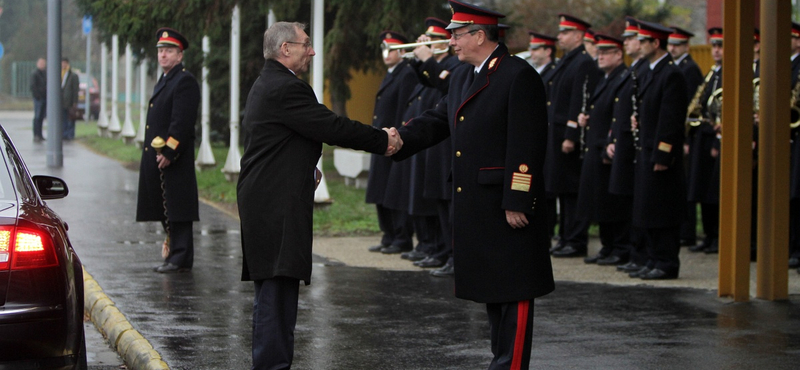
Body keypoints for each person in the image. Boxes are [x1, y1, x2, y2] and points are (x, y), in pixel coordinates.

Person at [393, 1, 554, 368]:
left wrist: (518, 198)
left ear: (480, 35)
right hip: (478, 204)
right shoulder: (467, 75)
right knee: (494, 291)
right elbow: (439, 119)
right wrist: (398, 140)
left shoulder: (517, 74)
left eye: (456, 34)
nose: (451, 41)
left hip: (504, 205)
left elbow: (526, 144)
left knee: (514, 292)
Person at [237, 22, 402, 370]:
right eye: (306, 45)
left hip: (268, 198)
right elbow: (330, 126)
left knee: (272, 292)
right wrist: (382, 140)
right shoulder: (285, 88)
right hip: (276, 204)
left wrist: (304, 168)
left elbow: (276, 141)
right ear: (285, 49)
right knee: (277, 294)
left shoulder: (269, 82)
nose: (312, 52)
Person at [136, 28, 201, 274]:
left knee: (178, 206)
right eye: (161, 51)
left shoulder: (184, 81)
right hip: (158, 154)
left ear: (179, 55)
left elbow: (182, 122)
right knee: (166, 206)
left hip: (174, 156)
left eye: (169, 51)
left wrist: (169, 152)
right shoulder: (165, 80)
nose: (163, 55)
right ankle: (175, 254)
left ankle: (180, 256)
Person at [628, 20, 688, 280]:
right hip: (646, 149)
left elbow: (671, 119)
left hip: (660, 154)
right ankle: (652, 257)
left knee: (662, 208)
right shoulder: (648, 71)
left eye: (643, 41)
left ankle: (665, 262)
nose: (639, 45)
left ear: (656, 43)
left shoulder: (671, 73)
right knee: (647, 207)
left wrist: (663, 154)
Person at [401, 18, 461, 272]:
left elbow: (442, 82)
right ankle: (440, 249)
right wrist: (419, 60)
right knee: (437, 199)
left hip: (447, 143)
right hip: (436, 142)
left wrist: (428, 59)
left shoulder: (453, 63)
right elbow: (427, 81)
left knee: (447, 202)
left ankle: (450, 253)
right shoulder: (440, 64)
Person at [546, 14, 602, 258]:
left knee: (571, 188)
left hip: (567, 136)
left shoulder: (583, 62)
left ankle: (576, 239)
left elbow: (579, 101)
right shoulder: (566, 61)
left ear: (578, 36)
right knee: (561, 188)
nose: (560, 37)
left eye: (565, 32)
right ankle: (566, 236)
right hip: (555, 132)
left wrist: (571, 135)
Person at [576, 34, 631, 266]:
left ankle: (620, 247)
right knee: (600, 202)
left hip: (607, 148)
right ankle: (608, 246)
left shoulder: (623, 78)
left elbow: (619, 115)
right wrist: (588, 118)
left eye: (606, 52)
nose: (600, 56)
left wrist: (612, 141)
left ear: (619, 54)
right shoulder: (606, 78)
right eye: (598, 52)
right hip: (596, 146)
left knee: (613, 203)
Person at [366, 31, 418, 255]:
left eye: (392, 49)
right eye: (384, 49)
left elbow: (403, 110)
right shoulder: (390, 74)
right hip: (381, 139)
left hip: (393, 140)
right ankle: (388, 234)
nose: (387, 54)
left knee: (394, 191)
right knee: (380, 189)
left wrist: (397, 138)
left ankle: (401, 236)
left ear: (403, 52)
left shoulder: (406, 74)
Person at [611, 17, 652, 275]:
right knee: (632, 201)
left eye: (632, 38)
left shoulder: (645, 70)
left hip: (637, 144)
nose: (627, 43)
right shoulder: (634, 69)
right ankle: (636, 253)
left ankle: (642, 254)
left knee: (641, 202)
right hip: (627, 143)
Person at [687, 28, 723, 255]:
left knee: (715, 192)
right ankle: (709, 235)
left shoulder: (730, 72)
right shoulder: (712, 72)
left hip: (716, 137)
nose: (716, 51)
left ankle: (718, 235)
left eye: (720, 46)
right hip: (703, 135)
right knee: (703, 189)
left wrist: (717, 143)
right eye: (714, 46)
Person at [667, 26, 704, 248]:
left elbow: (690, 109)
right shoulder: (677, 67)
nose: (672, 48)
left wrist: (687, 140)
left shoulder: (689, 69)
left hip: (686, 135)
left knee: (686, 185)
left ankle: (687, 232)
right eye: (671, 44)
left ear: (686, 47)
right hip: (680, 135)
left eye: (677, 45)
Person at [60, 58, 79, 140]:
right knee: (63, 118)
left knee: (71, 118)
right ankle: (64, 134)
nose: (63, 65)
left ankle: (70, 134)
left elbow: (75, 89)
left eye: (65, 63)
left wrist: (75, 101)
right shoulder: (59, 73)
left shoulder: (73, 75)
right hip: (61, 101)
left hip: (70, 101)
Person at [30, 58, 46, 142]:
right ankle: (36, 134)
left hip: (44, 98)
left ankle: (40, 134)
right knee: (37, 117)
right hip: (38, 99)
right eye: (41, 63)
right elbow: (33, 86)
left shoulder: (45, 73)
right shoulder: (35, 73)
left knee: (42, 117)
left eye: (43, 63)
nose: (42, 65)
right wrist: (37, 96)